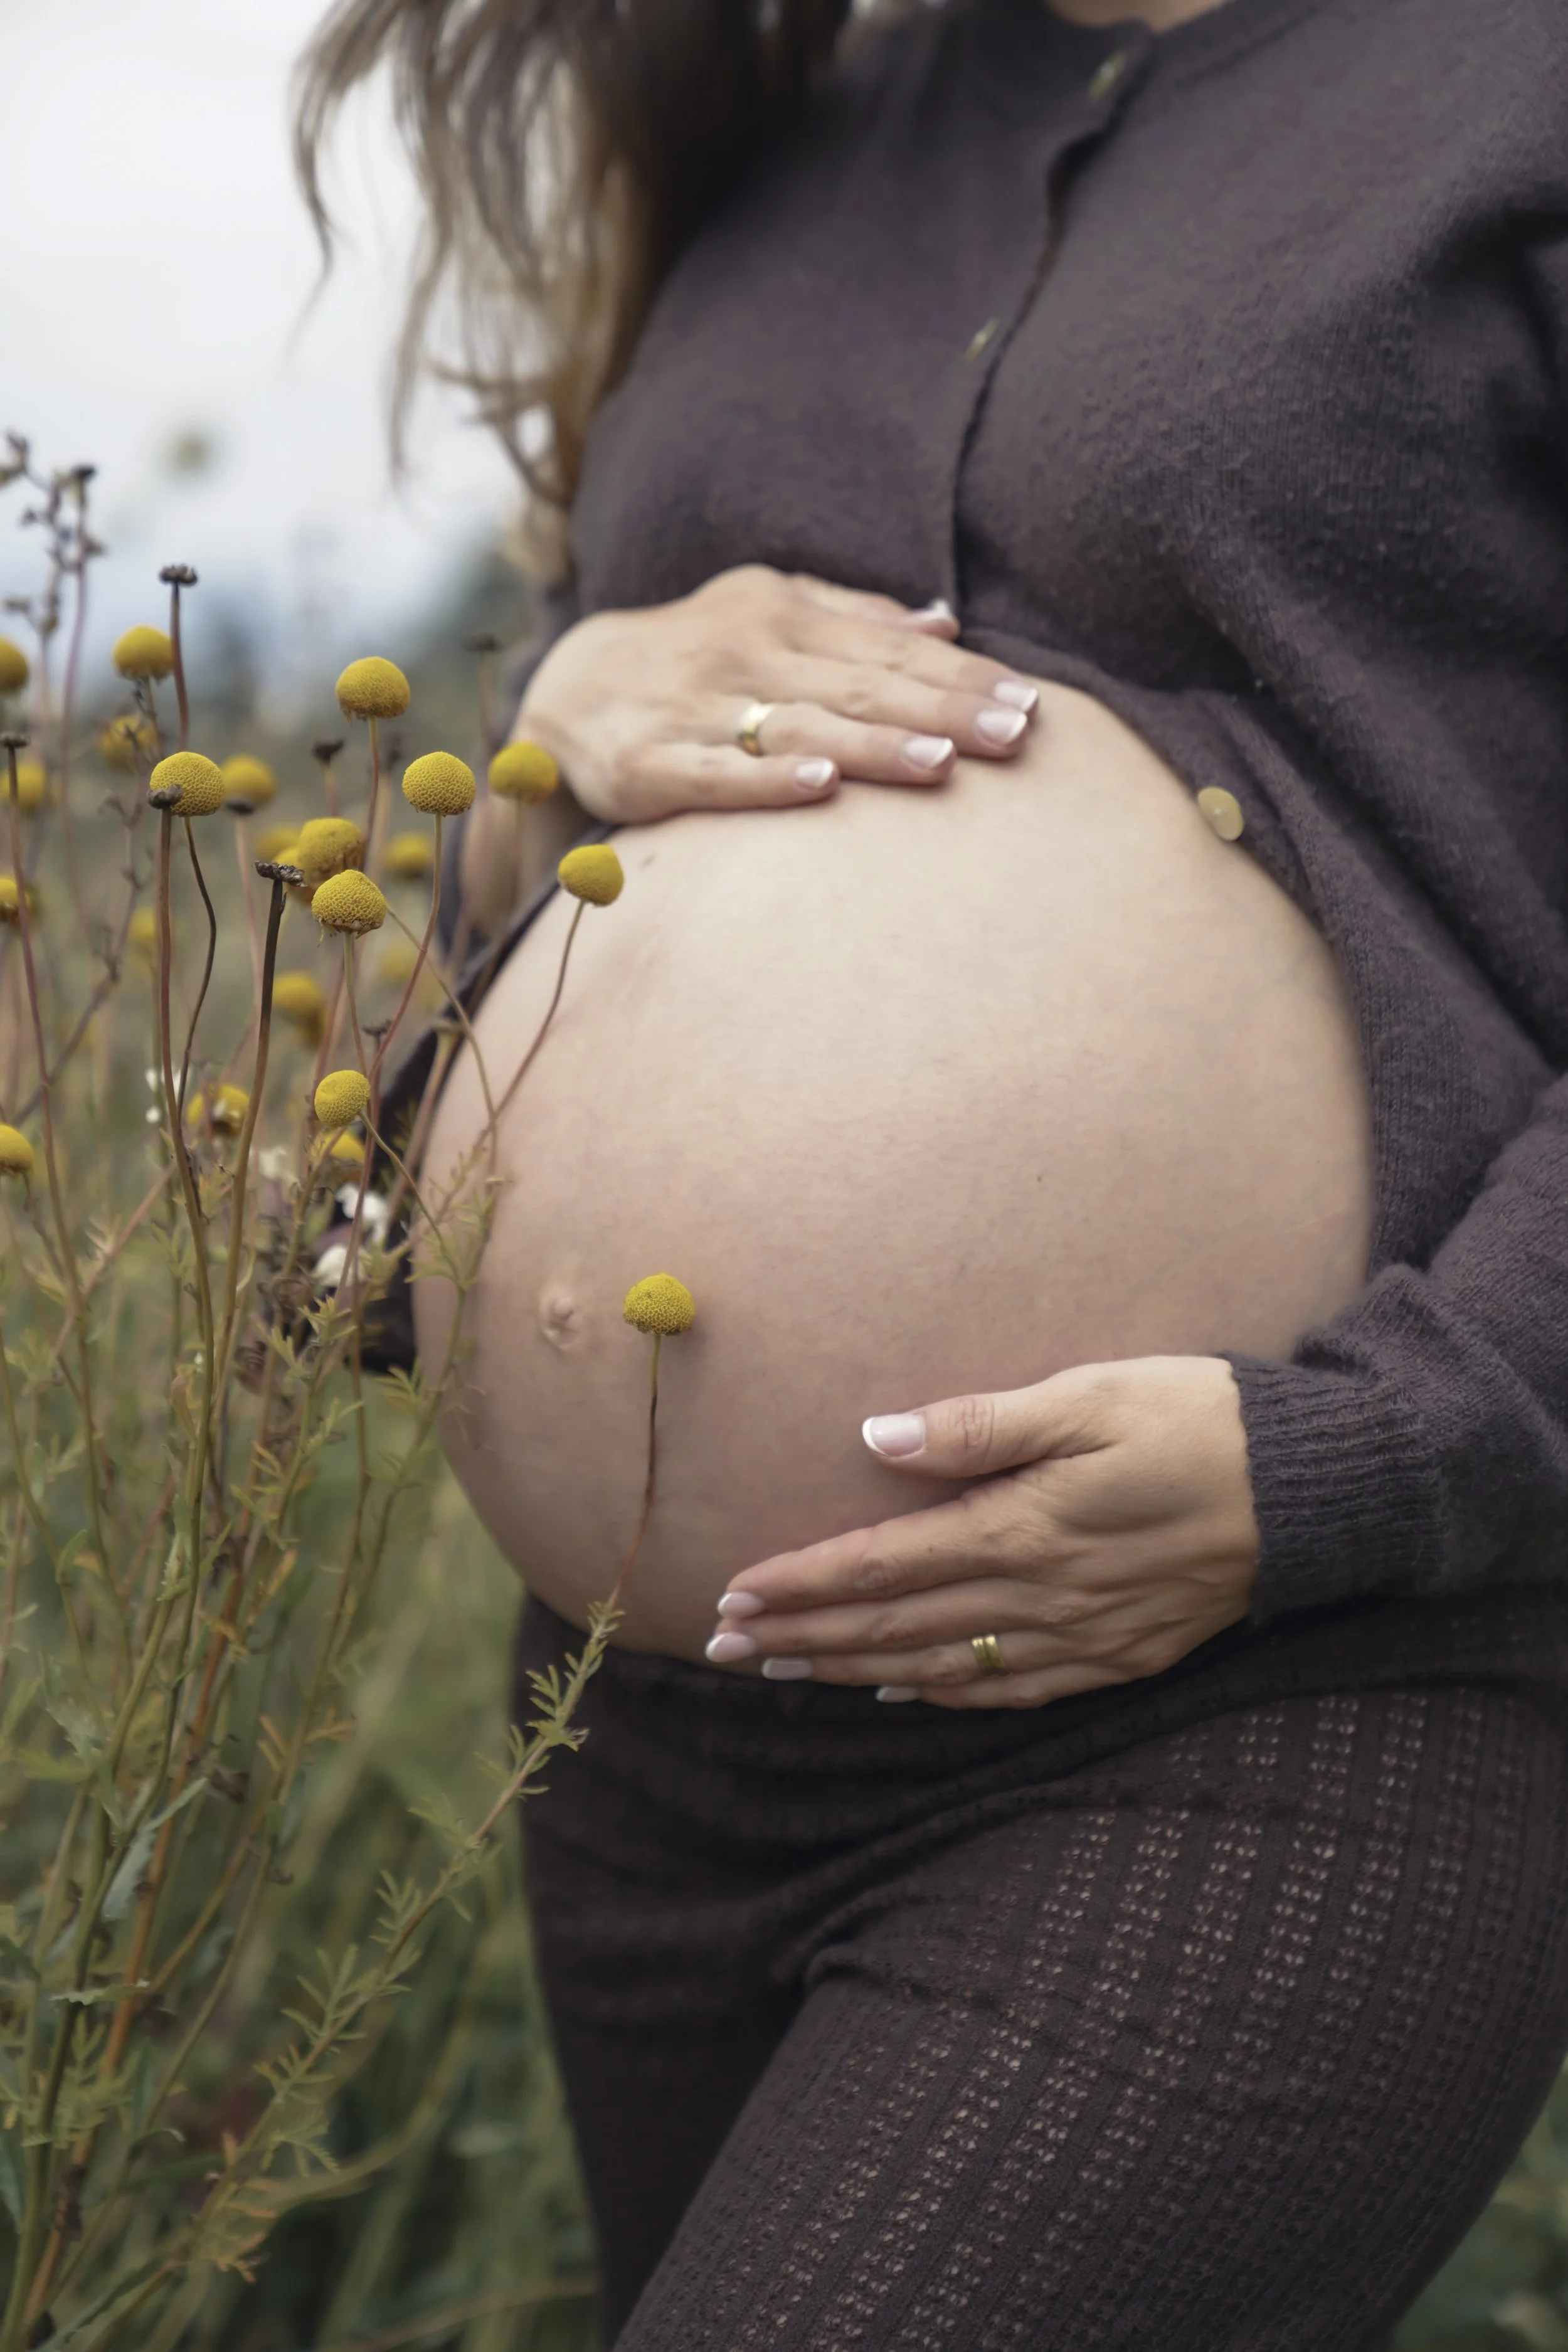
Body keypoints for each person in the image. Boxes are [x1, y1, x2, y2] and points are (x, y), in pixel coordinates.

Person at [300, 0, 1568, 2343]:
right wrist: (546, 748)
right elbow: (587, 903)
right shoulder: (815, 121)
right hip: (641, 1740)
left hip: (1254, 1705)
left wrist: (1382, 1444)